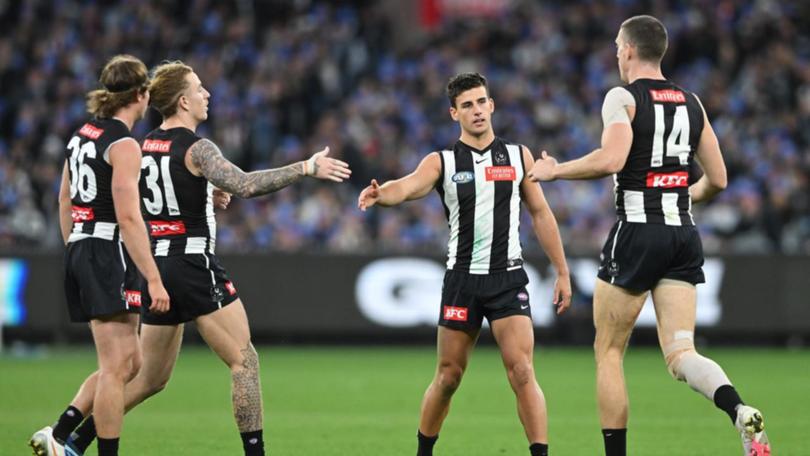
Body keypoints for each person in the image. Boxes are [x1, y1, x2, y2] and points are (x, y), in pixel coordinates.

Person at [51, 60, 351, 456]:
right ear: (182, 101)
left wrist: (202, 195)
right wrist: (305, 167)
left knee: (147, 379)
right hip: (192, 263)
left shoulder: (142, 146)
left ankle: (74, 440)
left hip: (153, 265)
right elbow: (245, 184)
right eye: (199, 89)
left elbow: (139, 198)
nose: (206, 94)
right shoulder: (198, 147)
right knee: (244, 362)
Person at [528, 15, 771, 456]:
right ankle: (739, 410)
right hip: (682, 234)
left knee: (609, 352)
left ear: (629, 50)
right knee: (681, 354)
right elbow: (718, 178)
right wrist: (682, 198)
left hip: (637, 233)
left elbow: (612, 158)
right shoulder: (691, 102)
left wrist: (554, 170)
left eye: (617, 46)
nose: (616, 53)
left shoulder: (623, 96)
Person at [358, 72, 572, 456]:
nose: (476, 111)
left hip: (508, 278)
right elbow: (408, 186)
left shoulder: (518, 156)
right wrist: (381, 194)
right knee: (448, 376)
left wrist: (562, 271)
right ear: (453, 113)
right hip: (462, 282)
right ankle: (424, 451)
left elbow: (541, 212)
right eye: (467, 105)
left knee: (523, 371)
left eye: (481, 102)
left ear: (492, 105)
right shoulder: (441, 161)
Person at [29, 55, 171, 456]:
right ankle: (88, 449)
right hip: (107, 249)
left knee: (130, 362)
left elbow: (64, 198)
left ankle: (59, 434)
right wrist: (154, 278)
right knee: (115, 368)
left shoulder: (82, 135)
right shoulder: (124, 145)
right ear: (141, 94)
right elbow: (128, 216)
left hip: (82, 245)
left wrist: (75, 246)